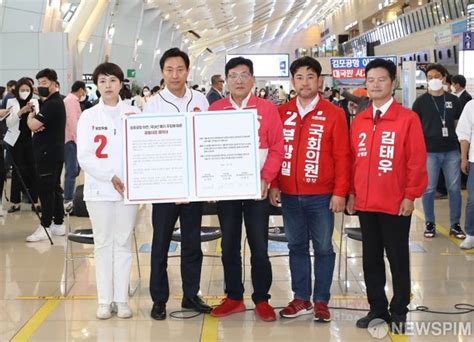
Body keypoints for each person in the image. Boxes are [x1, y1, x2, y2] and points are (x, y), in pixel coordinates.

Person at [346, 58, 428, 333]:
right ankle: (377, 308)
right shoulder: (359, 120)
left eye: (381, 79)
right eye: (370, 80)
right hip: (367, 204)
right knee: (370, 259)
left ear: (392, 84)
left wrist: (410, 195)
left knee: (397, 257)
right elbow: (354, 160)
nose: (376, 84)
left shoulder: (407, 119)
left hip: (395, 203)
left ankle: (399, 309)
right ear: (365, 85)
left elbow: (416, 161)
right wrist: (352, 193)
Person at [269, 56, 351, 322]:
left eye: (310, 77)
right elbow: (275, 151)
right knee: (296, 247)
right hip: (290, 195)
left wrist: (340, 191)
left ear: (320, 80)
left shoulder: (334, 114)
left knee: (324, 247)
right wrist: (274, 183)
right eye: (299, 77)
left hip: (322, 196)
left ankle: (321, 300)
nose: (305, 82)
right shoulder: (281, 113)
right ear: (292, 81)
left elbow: (342, 156)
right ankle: (301, 297)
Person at [209, 57, 284, 322]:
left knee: (259, 247)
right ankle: (234, 297)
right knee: (228, 245)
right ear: (226, 80)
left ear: (253, 79)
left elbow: (277, 147)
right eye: (233, 75)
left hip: (257, 191)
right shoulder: (215, 109)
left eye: (244, 75)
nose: (239, 80)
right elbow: (208, 149)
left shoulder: (266, 109)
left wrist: (266, 178)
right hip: (227, 191)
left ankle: (262, 299)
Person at [144, 48, 211, 320]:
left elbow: (207, 140)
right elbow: (147, 146)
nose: (175, 74)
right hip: (165, 187)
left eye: (180, 69)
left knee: (192, 244)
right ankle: (159, 299)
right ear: (162, 72)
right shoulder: (153, 104)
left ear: (187, 71)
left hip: (193, 187)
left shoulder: (201, 100)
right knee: (160, 244)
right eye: (169, 69)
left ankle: (190, 294)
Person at [77, 62, 140, 319]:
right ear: (97, 85)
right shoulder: (89, 116)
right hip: (99, 190)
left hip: (129, 190)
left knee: (123, 242)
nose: (108, 86)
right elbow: (84, 156)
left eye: (112, 80)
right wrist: (109, 176)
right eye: (102, 81)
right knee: (103, 244)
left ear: (120, 83)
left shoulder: (134, 113)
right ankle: (104, 300)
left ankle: (121, 299)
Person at [412, 63, 465, 239]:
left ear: (444, 77)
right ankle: (429, 223)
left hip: (451, 150)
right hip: (429, 152)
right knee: (429, 189)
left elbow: (458, 126)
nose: (433, 80)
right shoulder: (420, 102)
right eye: (429, 77)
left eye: (436, 76)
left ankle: (455, 224)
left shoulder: (453, 100)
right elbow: (416, 129)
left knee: (454, 189)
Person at [25, 68, 66, 242]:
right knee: (54, 188)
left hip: (47, 154)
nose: (41, 86)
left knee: (46, 190)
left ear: (54, 84)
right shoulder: (53, 102)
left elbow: (33, 125)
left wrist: (31, 117)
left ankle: (45, 226)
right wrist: (36, 122)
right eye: (39, 83)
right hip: (53, 152)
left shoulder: (52, 103)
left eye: (45, 83)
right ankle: (58, 223)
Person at [4, 78, 40, 213]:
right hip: (16, 140)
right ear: (17, 90)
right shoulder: (11, 102)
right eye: (22, 90)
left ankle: (35, 201)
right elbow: (9, 123)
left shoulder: (35, 101)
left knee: (33, 170)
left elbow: (38, 120)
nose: (25, 92)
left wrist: (32, 112)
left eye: (27, 90)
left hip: (31, 140)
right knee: (17, 171)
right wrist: (21, 112)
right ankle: (15, 202)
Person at [63, 80, 87, 210]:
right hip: (71, 139)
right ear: (81, 89)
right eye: (85, 90)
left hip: (72, 139)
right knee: (72, 170)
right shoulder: (71, 101)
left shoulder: (71, 100)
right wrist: (79, 139)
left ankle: (67, 194)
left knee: (74, 170)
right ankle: (68, 199)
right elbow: (72, 121)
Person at [456, 99, 474, 249]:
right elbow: (464, 134)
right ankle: (471, 234)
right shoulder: (471, 105)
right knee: (473, 199)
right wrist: (464, 158)